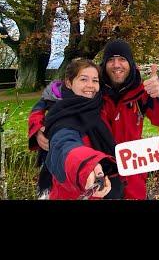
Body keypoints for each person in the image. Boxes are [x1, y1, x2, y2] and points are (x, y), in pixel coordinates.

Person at [29, 39, 159, 199]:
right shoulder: (90, 89)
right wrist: (39, 130)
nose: (116, 64)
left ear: (131, 63)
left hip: (131, 183)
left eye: (122, 59)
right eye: (111, 59)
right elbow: (46, 105)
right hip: (92, 179)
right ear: (104, 64)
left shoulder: (142, 93)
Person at [42, 58, 123, 200]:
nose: (90, 85)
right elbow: (64, 144)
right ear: (69, 82)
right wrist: (85, 165)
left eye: (95, 80)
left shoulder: (98, 108)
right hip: (74, 193)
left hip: (104, 191)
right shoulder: (63, 115)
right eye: (84, 79)